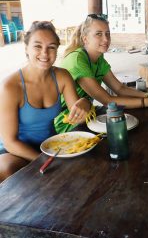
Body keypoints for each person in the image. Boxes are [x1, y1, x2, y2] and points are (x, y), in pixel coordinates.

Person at [0, 21, 91, 182]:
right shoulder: (11, 86)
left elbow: (80, 117)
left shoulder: (62, 76)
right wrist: (43, 160)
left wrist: (85, 103)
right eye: (37, 46)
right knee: (8, 168)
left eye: (51, 47)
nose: (45, 53)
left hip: (50, 146)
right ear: (26, 48)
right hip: (17, 152)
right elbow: (10, 142)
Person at [54, 14, 148, 133]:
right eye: (98, 34)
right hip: (69, 123)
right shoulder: (78, 59)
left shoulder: (99, 59)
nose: (106, 39)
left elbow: (120, 88)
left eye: (107, 33)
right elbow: (106, 100)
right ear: (85, 39)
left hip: (87, 116)